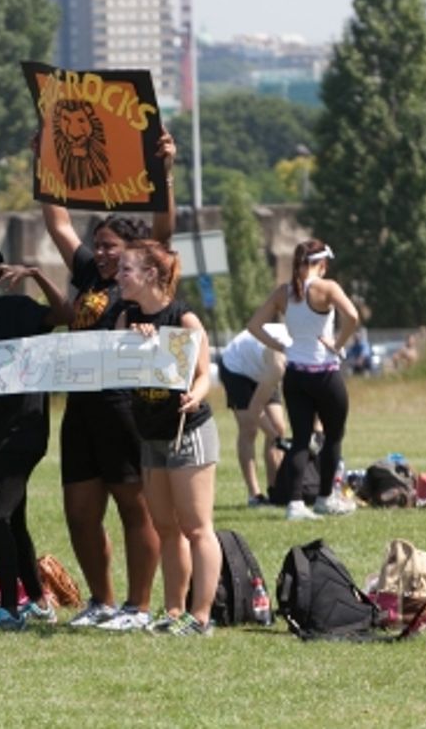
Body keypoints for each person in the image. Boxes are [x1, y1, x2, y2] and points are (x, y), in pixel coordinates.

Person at [39, 132, 175, 631]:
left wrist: (164, 170)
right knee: (79, 510)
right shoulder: (91, 274)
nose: (100, 254)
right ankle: (101, 601)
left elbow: (164, 227)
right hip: (80, 408)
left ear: (133, 252)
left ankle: (138, 607)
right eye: (96, 245)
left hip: (123, 407)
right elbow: (56, 221)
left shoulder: (139, 277)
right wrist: (45, 159)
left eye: (110, 247)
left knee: (133, 508)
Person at [0, 242, 72, 629]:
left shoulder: (17, 310)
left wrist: (37, 275)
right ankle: (38, 600)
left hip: (22, 430)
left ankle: (9, 608)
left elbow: (64, 314)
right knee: (13, 520)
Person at [115, 241, 220, 636]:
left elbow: (205, 373)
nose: (119, 277)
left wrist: (196, 395)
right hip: (151, 434)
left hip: (188, 431)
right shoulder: (126, 318)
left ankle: (202, 616)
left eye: (127, 270)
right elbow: (115, 358)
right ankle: (174, 611)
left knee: (196, 527)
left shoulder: (185, 319)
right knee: (165, 527)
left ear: (151, 276)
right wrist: (132, 335)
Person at [247, 239, 360, 521]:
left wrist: (283, 347)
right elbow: (353, 316)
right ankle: (324, 499)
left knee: (300, 439)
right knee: (333, 436)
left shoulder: (284, 292)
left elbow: (254, 326)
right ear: (321, 264)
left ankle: (295, 505)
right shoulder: (328, 287)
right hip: (325, 374)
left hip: (295, 374)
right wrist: (338, 343)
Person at [217, 324, 291, 507]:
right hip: (236, 369)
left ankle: (276, 491)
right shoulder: (279, 363)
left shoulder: (305, 357)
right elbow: (253, 409)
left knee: (279, 426)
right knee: (249, 428)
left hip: (261, 370)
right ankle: (254, 495)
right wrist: (276, 438)